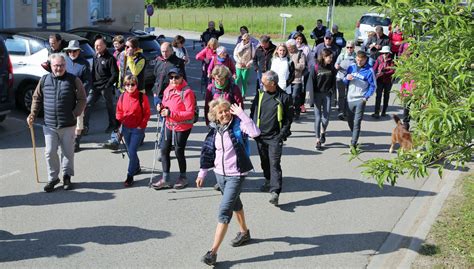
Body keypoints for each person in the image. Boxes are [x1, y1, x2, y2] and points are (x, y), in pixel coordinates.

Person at [196, 99, 260, 266]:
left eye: (226, 110)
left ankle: (213, 252)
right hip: (219, 174)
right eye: (220, 112)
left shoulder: (239, 126)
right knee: (235, 203)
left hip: (237, 174)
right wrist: (202, 173)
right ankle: (244, 232)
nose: (224, 114)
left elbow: (255, 133)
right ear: (215, 116)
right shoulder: (214, 131)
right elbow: (208, 152)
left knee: (224, 211)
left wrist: (241, 114)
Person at [27, 53, 87, 192]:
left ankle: (66, 176)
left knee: (68, 152)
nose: (58, 68)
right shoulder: (44, 80)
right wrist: (32, 114)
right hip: (49, 125)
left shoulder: (73, 80)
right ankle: (53, 178)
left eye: (61, 65)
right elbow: (36, 98)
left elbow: (82, 99)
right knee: (49, 152)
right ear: (51, 66)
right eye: (56, 66)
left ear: (65, 65)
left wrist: (75, 113)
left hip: (68, 124)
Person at [250, 71, 293, 206]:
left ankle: (275, 192)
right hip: (260, 136)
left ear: (273, 84)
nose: (261, 84)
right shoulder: (260, 94)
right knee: (264, 161)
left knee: (274, 163)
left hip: (275, 137)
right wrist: (251, 127)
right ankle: (268, 180)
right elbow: (253, 110)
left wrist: (281, 135)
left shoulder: (284, 97)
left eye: (264, 83)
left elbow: (288, 120)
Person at [152, 68, 196, 190]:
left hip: (182, 126)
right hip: (169, 124)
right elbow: (165, 103)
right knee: (164, 150)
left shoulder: (187, 92)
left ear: (182, 77)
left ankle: (183, 177)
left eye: (176, 77)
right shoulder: (168, 89)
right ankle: (165, 179)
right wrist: (160, 106)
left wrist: (171, 113)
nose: (173, 80)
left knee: (178, 151)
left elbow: (190, 113)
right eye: (171, 77)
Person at [103, 37, 147, 150]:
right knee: (122, 116)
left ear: (136, 48)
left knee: (137, 117)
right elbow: (121, 71)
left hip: (137, 92)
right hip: (123, 90)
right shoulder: (122, 55)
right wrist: (118, 85)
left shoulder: (141, 58)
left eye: (129, 47)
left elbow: (135, 72)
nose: (126, 48)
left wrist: (131, 57)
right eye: (126, 46)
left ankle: (139, 137)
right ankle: (115, 140)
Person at [116, 75, 151, 187]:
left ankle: (130, 175)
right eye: (127, 84)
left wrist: (142, 125)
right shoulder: (122, 97)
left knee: (131, 151)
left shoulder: (142, 97)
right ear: (124, 86)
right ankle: (136, 167)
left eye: (132, 84)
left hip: (137, 129)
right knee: (132, 151)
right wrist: (119, 124)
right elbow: (119, 112)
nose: (130, 87)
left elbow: (147, 113)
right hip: (126, 128)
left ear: (136, 85)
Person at [83, 37, 119, 135]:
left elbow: (115, 74)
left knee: (109, 106)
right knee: (88, 104)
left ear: (104, 46)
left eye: (98, 45)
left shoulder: (110, 58)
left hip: (106, 87)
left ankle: (112, 125)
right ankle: (84, 126)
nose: (96, 47)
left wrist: (107, 85)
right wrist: (91, 83)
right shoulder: (95, 56)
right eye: (95, 45)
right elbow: (93, 70)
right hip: (95, 86)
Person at [343, 51, 376, 151]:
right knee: (350, 120)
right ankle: (355, 134)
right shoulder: (351, 67)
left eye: (361, 60)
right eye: (357, 60)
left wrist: (366, 97)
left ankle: (353, 143)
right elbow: (344, 81)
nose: (359, 62)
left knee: (357, 121)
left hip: (360, 99)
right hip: (350, 98)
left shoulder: (369, 70)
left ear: (365, 59)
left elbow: (373, 86)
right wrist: (346, 78)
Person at [306, 48, 336, 150]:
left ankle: (323, 132)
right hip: (317, 95)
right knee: (318, 118)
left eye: (332, 57)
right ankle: (317, 140)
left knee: (326, 118)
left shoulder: (332, 68)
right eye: (329, 57)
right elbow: (310, 83)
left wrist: (334, 98)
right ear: (324, 57)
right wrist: (310, 99)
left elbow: (334, 83)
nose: (331, 59)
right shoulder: (315, 67)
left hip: (327, 95)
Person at [64, 40, 92, 153]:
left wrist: (79, 90)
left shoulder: (84, 63)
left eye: (75, 51)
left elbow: (88, 81)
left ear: (79, 51)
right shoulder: (65, 62)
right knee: (69, 118)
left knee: (79, 119)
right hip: (67, 95)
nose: (72, 53)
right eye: (70, 51)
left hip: (79, 96)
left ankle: (76, 142)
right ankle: (70, 139)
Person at [153, 41, 186, 108]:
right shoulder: (158, 60)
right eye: (163, 51)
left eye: (166, 51)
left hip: (170, 95)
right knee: (161, 115)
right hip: (158, 95)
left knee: (167, 117)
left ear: (172, 50)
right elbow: (155, 77)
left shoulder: (178, 62)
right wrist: (155, 93)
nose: (164, 54)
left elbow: (183, 80)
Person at [334, 40, 356, 120]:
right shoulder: (342, 55)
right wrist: (336, 65)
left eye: (351, 47)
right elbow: (336, 63)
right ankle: (341, 111)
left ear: (354, 48)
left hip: (351, 78)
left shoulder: (356, 56)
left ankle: (347, 111)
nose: (349, 49)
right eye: (348, 47)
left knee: (349, 95)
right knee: (341, 95)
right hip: (341, 77)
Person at [371, 46, 395, 118]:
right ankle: (376, 112)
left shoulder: (392, 60)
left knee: (386, 96)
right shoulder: (379, 58)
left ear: (389, 53)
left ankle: (384, 111)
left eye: (386, 53)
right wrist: (374, 74)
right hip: (379, 80)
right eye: (383, 53)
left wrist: (384, 73)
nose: (385, 54)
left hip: (388, 80)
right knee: (378, 96)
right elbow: (374, 68)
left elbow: (393, 71)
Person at [286, 39, 306, 120]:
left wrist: (292, 65)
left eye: (289, 47)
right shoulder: (286, 54)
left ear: (293, 47)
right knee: (288, 97)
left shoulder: (300, 54)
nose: (288, 49)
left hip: (297, 79)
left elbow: (302, 66)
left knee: (295, 96)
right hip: (287, 79)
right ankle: (290, 112)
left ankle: (297, 111)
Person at [294, 32, 311, 114]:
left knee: (302, 88)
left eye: (300, 39)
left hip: (304, 70)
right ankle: (294, 104)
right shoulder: (292, 47)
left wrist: (310, 69)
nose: (299, 40)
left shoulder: (306, 48)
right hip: (294, 71)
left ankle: (301, 105)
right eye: (297, 39)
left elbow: (310, 59)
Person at [233, 33, 255, 97]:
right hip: (239, 65)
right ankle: (234, 92)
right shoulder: (239, 45)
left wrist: (249, 63)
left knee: (244, 81)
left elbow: (253, 58)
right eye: (243, 39)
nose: (244, 41)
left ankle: (243, 95)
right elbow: (235, 55)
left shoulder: (251, 46)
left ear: (248, 39)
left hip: (246, 66)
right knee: (237, 79)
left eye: (245, 39)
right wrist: (239, 61)